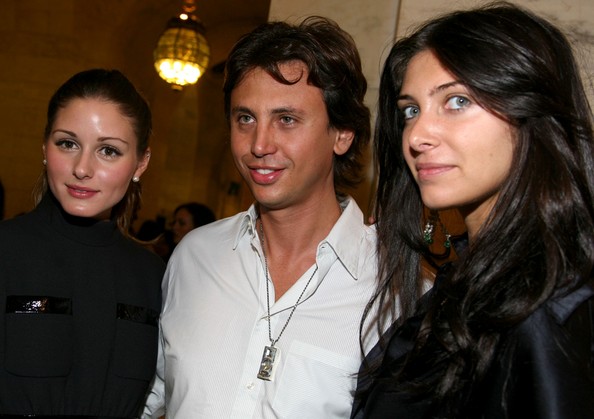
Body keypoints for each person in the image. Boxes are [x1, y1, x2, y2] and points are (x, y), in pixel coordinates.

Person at [351, 2, 594, 418]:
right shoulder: (471, 283)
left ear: (530, 111)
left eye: (457, 101)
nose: (417, 135)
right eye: (411, 110)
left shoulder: (547, 312)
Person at [144, 16, 380, 418]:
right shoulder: (194, 257)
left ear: (342, 133)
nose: (259, 144)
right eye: (245, 118)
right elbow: (150, 399)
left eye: (286, 119)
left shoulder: (391, 286)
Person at [0, 69, 165, 416]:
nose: (82, 168)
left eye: (108, 150)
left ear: (141, 163)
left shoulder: (154, 277)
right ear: (45, 147)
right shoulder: (7, 250)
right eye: (68, 143)